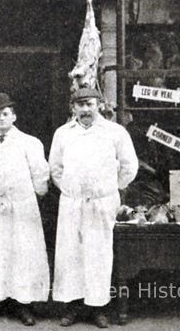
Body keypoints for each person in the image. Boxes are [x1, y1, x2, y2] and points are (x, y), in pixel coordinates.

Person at [49, 87, 139, 328]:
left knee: (98, 256)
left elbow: (130, 167)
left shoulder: (115, 132)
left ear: (99, 104)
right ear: (73, 108)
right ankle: (72, 308)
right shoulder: (63, 134)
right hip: (72, 203)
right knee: (72, 256)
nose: (85, 109)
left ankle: (99, 309)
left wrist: (109, 189)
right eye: (80, 105)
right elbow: (55, 168)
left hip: (102, 203)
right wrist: (70, 189)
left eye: (90, 104)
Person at [0, 92, 50, 326]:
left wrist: (33, 196)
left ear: (14, 116)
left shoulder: (29, 142)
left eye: (5, 114)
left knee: (23, 253)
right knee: (0, 251)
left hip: (23, 207)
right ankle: (1, 299)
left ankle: (24, 303)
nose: (1, 119)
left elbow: (40, 174)